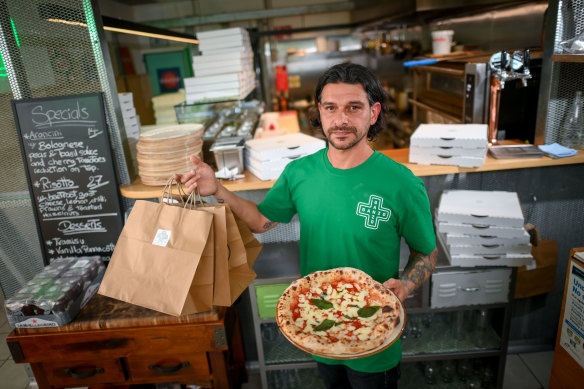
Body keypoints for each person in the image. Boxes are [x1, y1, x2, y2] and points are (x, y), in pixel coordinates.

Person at [176, 62, 438, 389]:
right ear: (320, 112)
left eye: (353, 108)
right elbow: (260, 221)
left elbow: (426, 254)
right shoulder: (299, 174)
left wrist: (407, 287)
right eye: (331, 108)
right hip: (319, 329)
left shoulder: (402, 184)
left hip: (374, 338)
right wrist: (218, 190)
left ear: (373, 113)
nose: (340, 119)